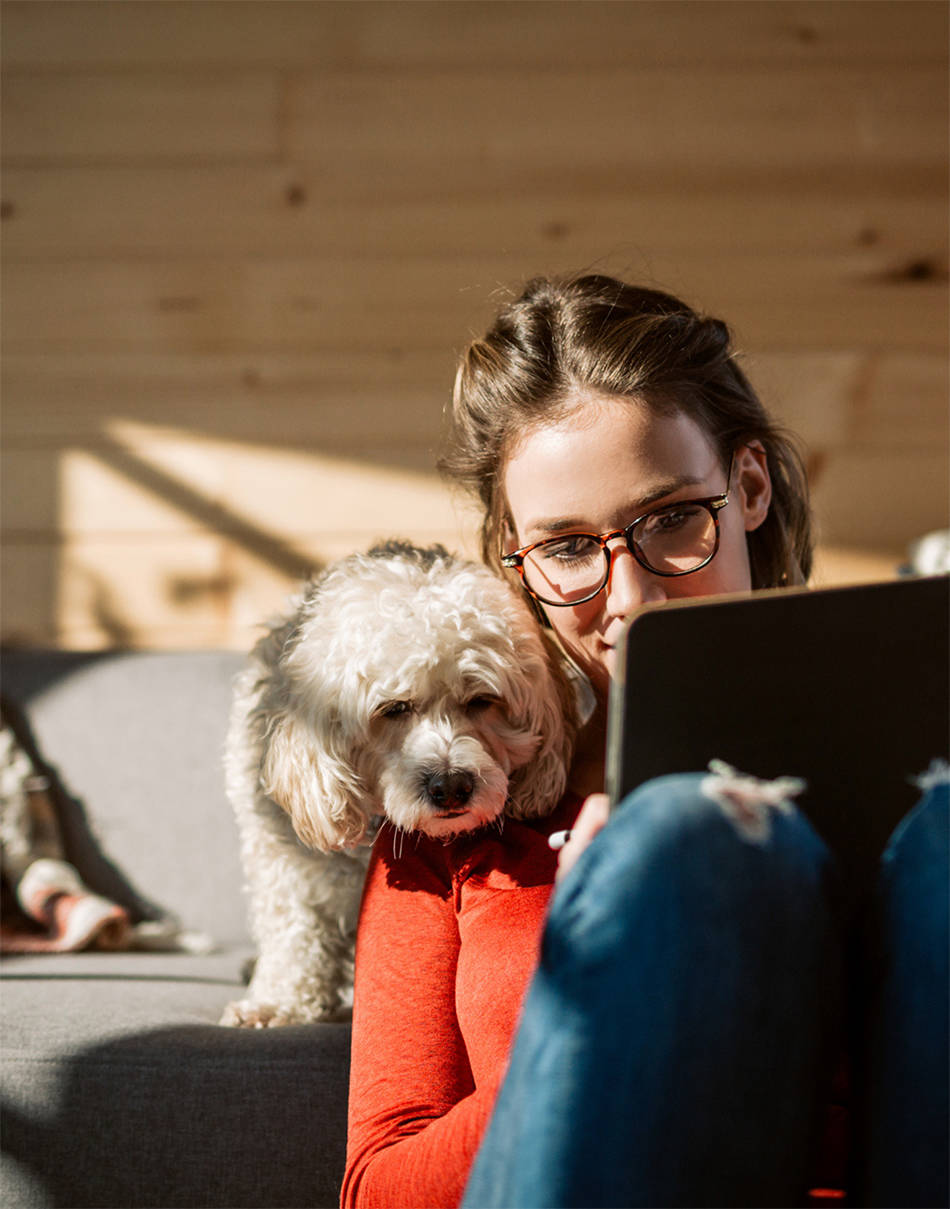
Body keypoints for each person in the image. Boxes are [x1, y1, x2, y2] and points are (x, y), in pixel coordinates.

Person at [340, 274, 948, 1209]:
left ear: (747, 487)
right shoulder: (453, 820)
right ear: (518, 558)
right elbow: (375, 1190)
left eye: (669, 521)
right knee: (688, 840)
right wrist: (594, 982)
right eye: (570, 547)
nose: (630, 599)